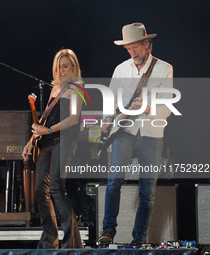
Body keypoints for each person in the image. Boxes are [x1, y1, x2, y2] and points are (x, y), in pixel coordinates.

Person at [97, 23, 173, 246]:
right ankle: (107, 231)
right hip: (125, 131)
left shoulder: (164, 68)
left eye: (136, 47)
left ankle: (139, 240)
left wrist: (148, 108)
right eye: (128, 48)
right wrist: (107, 119)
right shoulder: (121, 69)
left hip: (151, 134)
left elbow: (167, 107)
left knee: (147, 192)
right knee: (114, 181)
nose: (132, 53)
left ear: (147, 44)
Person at [22, 49, 84, 249]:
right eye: (59, 66)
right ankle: (50, 241)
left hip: (65, 140)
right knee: (41, 189)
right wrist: (31, 142)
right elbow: (44, 120)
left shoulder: (77, 88)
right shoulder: (55, 88)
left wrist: (47, 130)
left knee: (57, 187)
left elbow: (73, 119)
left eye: (65, 66)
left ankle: (72, 243)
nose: (62, 70)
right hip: (48, 141)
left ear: (73, 66)